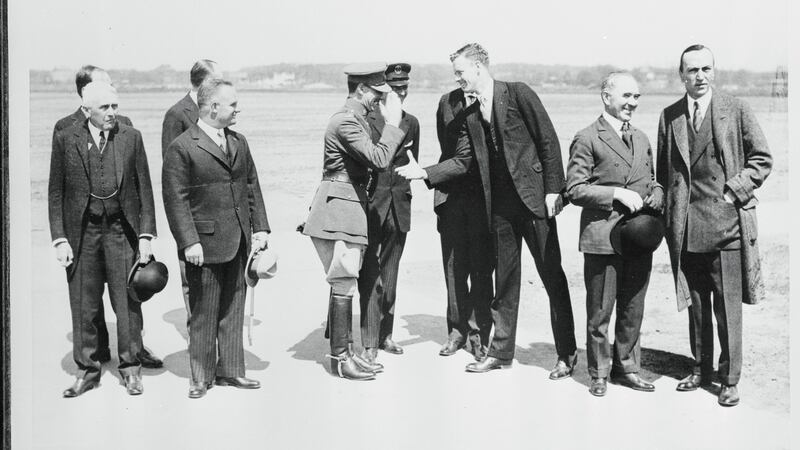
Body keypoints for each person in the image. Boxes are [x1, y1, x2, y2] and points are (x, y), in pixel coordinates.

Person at [398, 43, 577, 378]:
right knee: (504, 281)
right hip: (499, 208)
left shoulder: (519, 93)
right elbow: (464, 160)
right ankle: (500, 352)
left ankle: (566, 354)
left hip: (535, 202)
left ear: (479, 67)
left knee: (552, 276)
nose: (458, 79)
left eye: (461, 72)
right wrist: (426, 173)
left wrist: (555, 190)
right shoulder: (466, 111)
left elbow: (548, 141)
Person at [657, 45, 772, 407]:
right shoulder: (669, 115)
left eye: (706, 68)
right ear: (681, 76)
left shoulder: (735, 109)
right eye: (692, 70)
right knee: (696, 306)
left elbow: (762, 159)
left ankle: (729, 378)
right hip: (686, 229)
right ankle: (700, 368)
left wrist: (732, 192)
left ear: (714, 72)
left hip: (727, 229)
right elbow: (664, 173)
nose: (700, 76)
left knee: (727, 309)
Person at [162, 78, 270, 399]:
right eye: (233, 104)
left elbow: (251, 186)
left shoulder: (239, 142)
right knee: (204, 313)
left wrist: (261, 229)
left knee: (234, 308)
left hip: (239, 241)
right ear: (212, 108)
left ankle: (232, 371)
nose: (238, 108)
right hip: (203, 246)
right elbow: (175, 199)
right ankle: (201, 375)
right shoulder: (182, 146)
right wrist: (188, 241)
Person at [51, 65, 164, 369]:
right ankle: (90, 365)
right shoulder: (64, 132)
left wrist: (145, 234)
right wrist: (60, 238)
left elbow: (144, 188)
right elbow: (56, 192)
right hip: (83, 231)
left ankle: (132, 362)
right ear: (86, 105)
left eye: (115, 103)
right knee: (84, 302)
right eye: (105, 104)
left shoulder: (129, 133)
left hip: (119, 230)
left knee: (128, 300)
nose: (112, 110)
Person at [301, 63, 405, 380]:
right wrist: (394, 124)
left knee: (343, 281)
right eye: (376, 93)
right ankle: (341, 359)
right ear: (360, 89)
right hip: (340, 210)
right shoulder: (346, 122)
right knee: (343, 281)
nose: (379, 100)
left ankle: (346, 355)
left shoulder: (353, 120)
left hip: (345, 208)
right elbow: (378, 158)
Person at [566, 72, 663, 397]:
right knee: (600, 312)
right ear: (606, 97)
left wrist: (658, 193)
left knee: (633, 309)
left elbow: (653, 179)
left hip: (638, 238)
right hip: (602, 238)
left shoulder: (641, 138)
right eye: (626, 96)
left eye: (636, 97)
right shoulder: (587, 137)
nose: (632, 103)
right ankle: (599, 373)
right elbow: (575, 189)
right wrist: (616, 195)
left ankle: (628, 368)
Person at [356, 63, 419, 363]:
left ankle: (386, 335)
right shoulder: (366, 121)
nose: (400, 93)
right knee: (369, 274)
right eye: (395, 88)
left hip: (399, 205)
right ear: (384, 91)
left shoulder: (412, 123)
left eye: (404, 88)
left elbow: (411, 164)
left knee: (391, 275)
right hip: (371, 206)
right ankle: (368, 341)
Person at [160, 59, 221, 334]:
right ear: (202, 82)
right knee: (192, 276)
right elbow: (171, 172)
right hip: (193, 210)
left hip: (217, 211)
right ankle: (197, 335)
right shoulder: (177, 114)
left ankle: (213, 334)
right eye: (216, 81)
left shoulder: (215, 110)